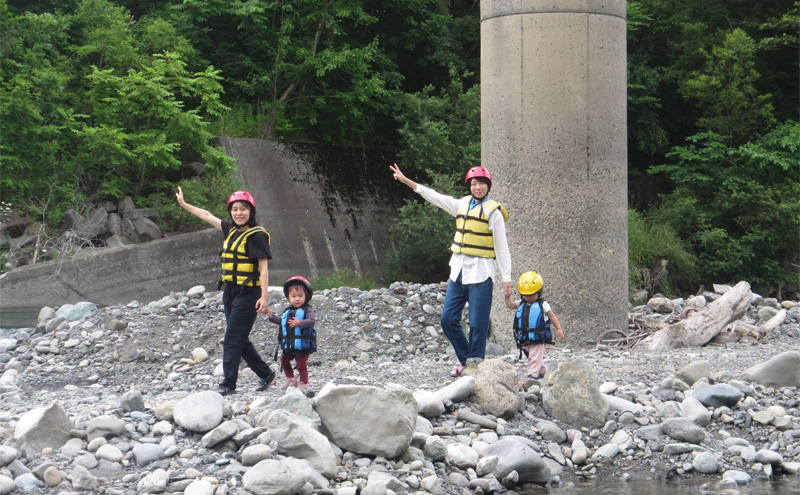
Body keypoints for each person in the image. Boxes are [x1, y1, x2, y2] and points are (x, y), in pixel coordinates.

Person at [390, 163, 512, 377]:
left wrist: (507, 279)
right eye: (474, 183)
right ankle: (468, 361)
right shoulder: (462, 204)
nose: (478, 187)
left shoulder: (494, 213)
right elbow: (435, 196)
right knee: (447, 319)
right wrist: (406, 181)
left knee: (477, 324)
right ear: (469, 186)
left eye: (482, 184)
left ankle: (475, 368)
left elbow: (502, 248)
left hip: (481, 274)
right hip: (458, 272)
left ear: (488, 186)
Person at [175, 187, 276, 395]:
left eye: (243, 209)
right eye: (235, 209)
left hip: (250, 293)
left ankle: (228, 384)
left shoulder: (256, 235)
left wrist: (264, 297)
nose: (239, 213)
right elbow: (206, 215)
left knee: (231, 338)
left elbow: (264, 268)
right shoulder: (230, 229)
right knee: (239, 336)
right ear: (231, 212)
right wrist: (184, 205)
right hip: (230, 291)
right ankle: (266, 374)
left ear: (251, 211)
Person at [504, 270, 564, 379]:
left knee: (534, 357)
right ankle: (543, 372)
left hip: (538, 337)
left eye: (532, 294)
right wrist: (507, 297)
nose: (530, 297)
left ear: (539, 292)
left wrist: (559, 328)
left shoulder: (543, 304)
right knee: (532, 357)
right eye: (526, 295)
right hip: (526, 338)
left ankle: (532, 375)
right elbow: (510, 305)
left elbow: (552, 316)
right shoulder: (521, 303)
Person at [266, 276, 317, 394]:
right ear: (289, 298)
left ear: (306, 297)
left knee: (301, 365)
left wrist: (299, 323)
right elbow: (281, 322)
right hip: (290, 345)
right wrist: (270, 315)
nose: (297, 299)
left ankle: (304, 382)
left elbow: (312, 321)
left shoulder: (308, 310)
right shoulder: (288, 311)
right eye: (294, 296)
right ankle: (291, 378)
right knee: (283, 359)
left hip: (302, 345)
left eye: (300, 296)